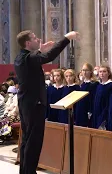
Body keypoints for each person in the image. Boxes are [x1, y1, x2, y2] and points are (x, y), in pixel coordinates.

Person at [14, 30, 78, 174]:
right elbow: (49, 56)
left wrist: (39, 51)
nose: (38, 39)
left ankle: (25, 171)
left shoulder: (21, 57)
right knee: (34, 142)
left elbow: (37, 58)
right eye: (34, 38)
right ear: (28, 43)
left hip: (26, 104)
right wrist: (67, 38)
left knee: (27, 140)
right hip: (34, 105)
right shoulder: (30, 57)